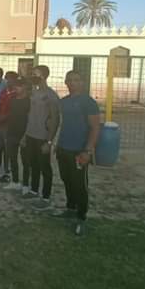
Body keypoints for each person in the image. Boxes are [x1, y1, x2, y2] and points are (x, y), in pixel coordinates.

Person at [56, 70, 101, 236]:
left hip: (79, 151)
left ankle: (81, 218)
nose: (72, 83)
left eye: (76, 80)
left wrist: (87, 151)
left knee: (80, 185)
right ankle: (70, 208)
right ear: (65, 82)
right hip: (63, 148)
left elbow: (95, 127)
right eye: (69, 80)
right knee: (66, 180)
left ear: (82, 82)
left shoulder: (88, 102)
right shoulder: (64, 101)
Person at [23, 65, 61, 210]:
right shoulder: (34, 93)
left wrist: (49, 141)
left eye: (35, 74)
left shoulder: (51, 95)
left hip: (43, 137)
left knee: (45, 167)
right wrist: (25, 135)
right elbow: (30, 115)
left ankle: (46, 197)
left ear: (44, 76)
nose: (33, 76)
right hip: (31, 135)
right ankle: (34, 190)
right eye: (32, 74)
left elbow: (55, 119)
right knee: (33, 164)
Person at [2, 77, 31, 192]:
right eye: (15, 85)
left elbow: (30, 119)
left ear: (24, 87)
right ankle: (15, 181)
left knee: (25, 161)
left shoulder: (29, 101)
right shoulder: (12, 99)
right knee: (12, 158)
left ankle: (26, 185)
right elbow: (10, 114)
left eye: (19, 85)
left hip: (24, 134)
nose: (16, 88)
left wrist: (26, 135)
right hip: (11, 133)